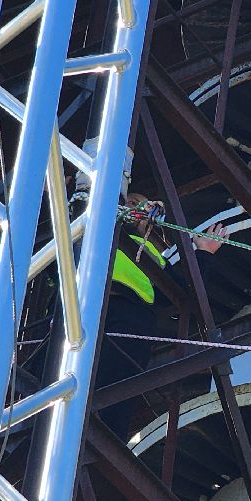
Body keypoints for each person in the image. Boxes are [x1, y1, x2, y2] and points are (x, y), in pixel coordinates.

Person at [89, 187, 223, 438]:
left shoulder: (150, 254)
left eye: (139, 202)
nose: (134, 206)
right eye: (129, 201)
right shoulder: (89, 226)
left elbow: (183, 292)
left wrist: (203, 253)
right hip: (81, 308)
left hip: (128, 318)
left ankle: (102, 451)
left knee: (117, 395)